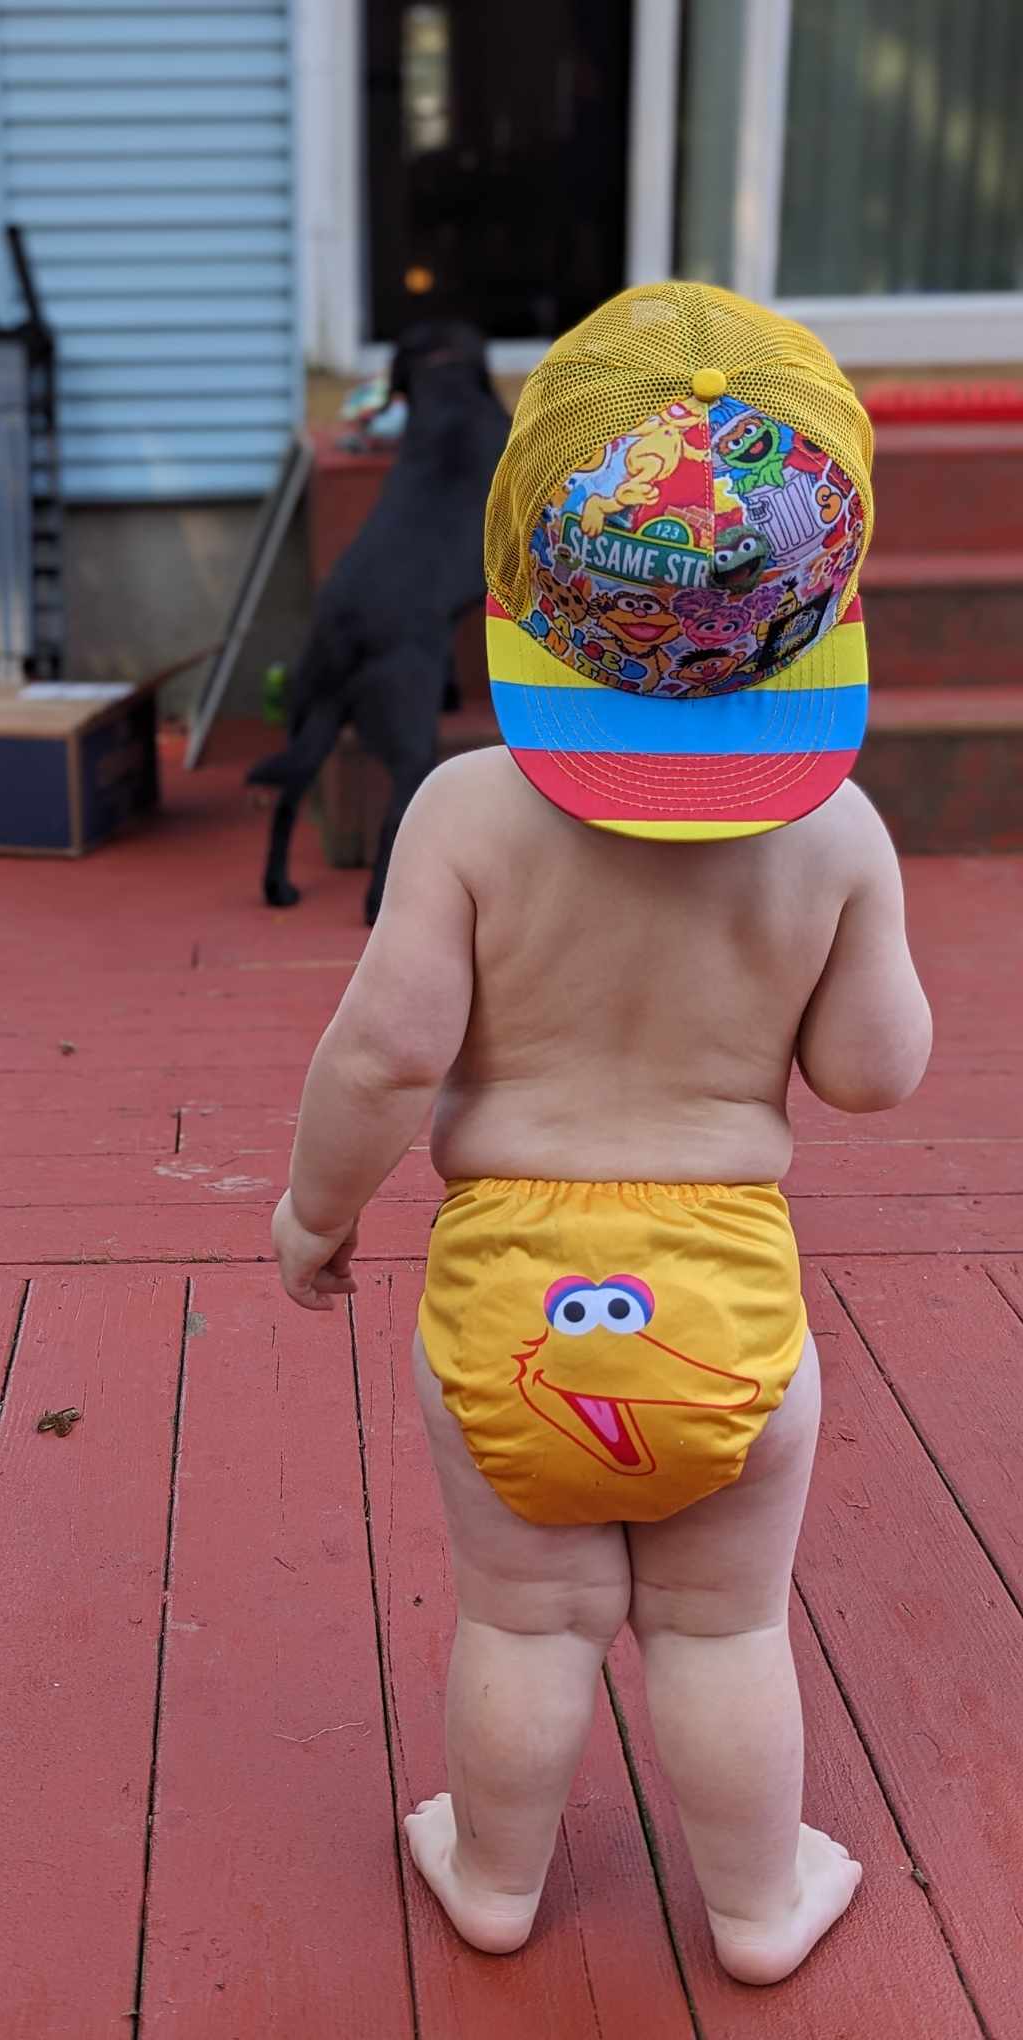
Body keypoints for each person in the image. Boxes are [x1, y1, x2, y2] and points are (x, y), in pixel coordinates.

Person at [269, 283, 931, 1987]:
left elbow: (382, 1052)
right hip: (727, 1306)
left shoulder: (468, 810)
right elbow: (874, 1072)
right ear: (825, 597)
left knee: (526, 1615)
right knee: (723, 1626)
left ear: (518, 565)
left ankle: (492, 1878)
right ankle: (759, 1904)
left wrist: (310, 1216)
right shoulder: (837, 832)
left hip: (508, 1304)